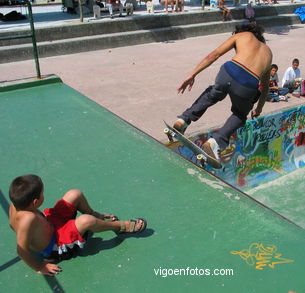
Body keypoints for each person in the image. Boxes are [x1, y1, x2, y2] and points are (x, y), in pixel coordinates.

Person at [8, 174, 147, 276]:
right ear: (35, 202)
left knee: (74, 194)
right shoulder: (27, 220)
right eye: (42, 194)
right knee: (86, 221)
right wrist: (39, 267)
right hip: (57, 244)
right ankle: (121, 227)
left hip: (52, 223)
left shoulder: (16, 205)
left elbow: (12, 225)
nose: (44, 195)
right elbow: (21, 250)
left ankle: (96, 215)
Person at [173, 23, 272, 162]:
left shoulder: (241, 35)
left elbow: (214, 55)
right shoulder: (268, 52)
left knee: (212, 93)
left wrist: (192, 74)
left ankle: (183, 120)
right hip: (248, 84)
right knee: (240, 114)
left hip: (228, 71)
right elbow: (265, 87)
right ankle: (215, 142)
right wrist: (258, 109)